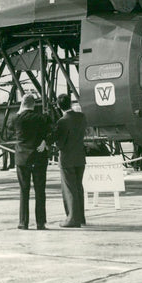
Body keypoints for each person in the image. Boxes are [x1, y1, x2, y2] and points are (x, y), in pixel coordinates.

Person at [12, 94, 51, 230]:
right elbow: (51, 129)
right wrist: (45, 140)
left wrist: (20, 111)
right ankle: (40, 223)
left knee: (24, 190)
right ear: (34, 105)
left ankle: (23, 222)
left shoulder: (16, 119)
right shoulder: (41, 118)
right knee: (40, 191)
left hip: (22, 159)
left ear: (23, 104)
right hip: (39, 158)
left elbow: (10, 130)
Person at [51, 94, 88, 228]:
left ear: (59, 106)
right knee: (78, 187)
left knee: (69, 189)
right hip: (80, 157)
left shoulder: (62, 121)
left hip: (67, 158)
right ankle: (81, 217)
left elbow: (60, 143)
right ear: (71, 104)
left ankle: (72, 218)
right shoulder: (81, 117)